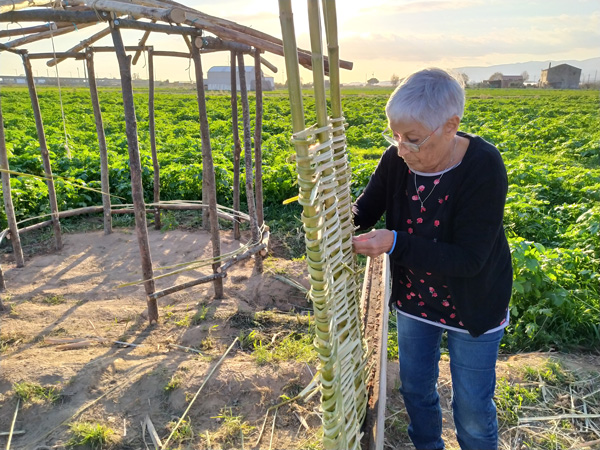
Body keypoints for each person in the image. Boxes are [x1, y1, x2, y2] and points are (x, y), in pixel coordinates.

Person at [352, 67, 512, 450]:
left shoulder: (483, 166)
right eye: (394, 136)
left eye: (412, 139)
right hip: (415, 301)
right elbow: (366, 208)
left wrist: (394, 242)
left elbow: (469, 259)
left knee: (472, 407)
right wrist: (337, 220)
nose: (401, 148)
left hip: (473, 306)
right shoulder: (397, 159)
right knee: (415, 389)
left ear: (450, 126)